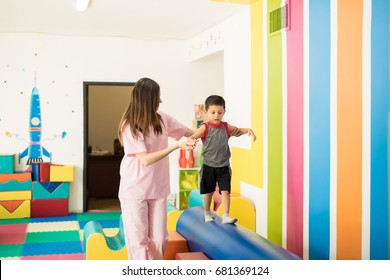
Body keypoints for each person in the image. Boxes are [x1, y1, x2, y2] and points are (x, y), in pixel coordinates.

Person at [117, 77, 197, 260]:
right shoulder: (129, 126)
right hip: (134, 189)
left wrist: (219, 129)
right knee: (138, 242)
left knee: (160, 239)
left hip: (158, 189)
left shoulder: (163, 118)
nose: (160, 101)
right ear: (147, 100)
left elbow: (190, 133)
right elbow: (145, 159)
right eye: (157, 97)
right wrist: (176, 147)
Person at [189, 95, 256, 224]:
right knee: (208, 192)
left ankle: (226, 215)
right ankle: (207, 213)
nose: (216, 116)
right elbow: (194, 136)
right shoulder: (205, 127)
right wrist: (190, 141)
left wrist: (248, 130)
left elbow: (238, 131)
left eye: (220, 113)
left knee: (226, 191)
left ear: (224, 112)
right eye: (212, 112)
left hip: (223, 166)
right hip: (209, 165)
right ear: (206, 112)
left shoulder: (226, 127)